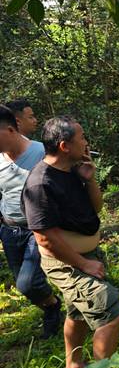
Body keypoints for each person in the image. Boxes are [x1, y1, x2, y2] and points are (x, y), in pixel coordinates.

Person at [22, 117, 119, 368]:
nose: (86, 142)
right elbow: (45, 237)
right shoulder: (40, 184)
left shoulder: (72, 170)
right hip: (67, 262)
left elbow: (96, 207)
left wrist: (89, 180)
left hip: (85, 254)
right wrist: (83, 263)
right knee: (109, 311)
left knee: (78, 312)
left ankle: (74, 365)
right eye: (81, 138)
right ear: (65, 145)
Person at [0, 105, 62, 338]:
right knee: (22, 284)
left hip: (38, 229)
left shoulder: (41, 153)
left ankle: (54, 305)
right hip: (9, 229)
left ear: (10, 130)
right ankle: (51, 306)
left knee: (28, 283)